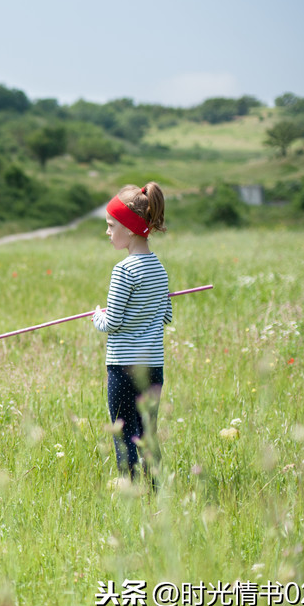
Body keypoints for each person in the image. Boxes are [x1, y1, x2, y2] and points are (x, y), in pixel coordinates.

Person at [92, 183, 170, 488]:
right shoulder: (159, 269)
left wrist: (97, 316)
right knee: (147, 431)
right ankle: (156, 490)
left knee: (125, 432)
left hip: (123, 368)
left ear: (130, 227)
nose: (109, 232)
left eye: (112, 226)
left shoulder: (123, 270)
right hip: (153, 368)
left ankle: (131, 493)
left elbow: (112, 322)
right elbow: (166, 316)